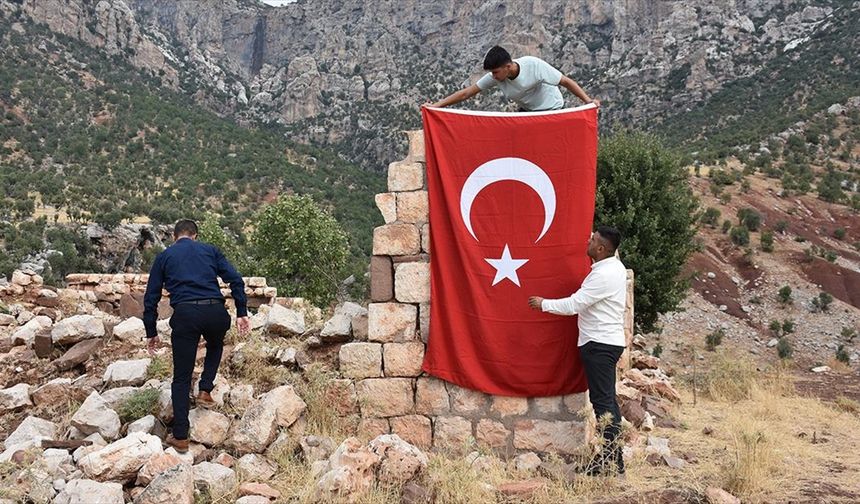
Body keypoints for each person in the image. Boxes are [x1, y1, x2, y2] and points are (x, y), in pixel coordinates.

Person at [143, 219, 250, 453]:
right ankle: (205, 388)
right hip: (215, 311)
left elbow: (150, 297)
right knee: (215, 344)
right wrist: (242, 311)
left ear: (174, 237)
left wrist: (150, 331)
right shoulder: (210, 250)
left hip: (186, 314)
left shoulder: (165, 257)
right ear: (195, 236)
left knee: (181, 377)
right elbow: (236, 279)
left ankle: (180, 435)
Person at [528, 226, 627, 476]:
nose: (588, 241)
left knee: (603, 404)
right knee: (608, 404)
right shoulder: (612, 268)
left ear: (601, 249)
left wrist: (543, 304)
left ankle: (607, 463)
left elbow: (575, 304)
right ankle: (613, 461)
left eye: (593, 240)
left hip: (600, 345)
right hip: (605, 343)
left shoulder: (603, 275)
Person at [425, 45, 600, 111]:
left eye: (495, 72)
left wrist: (588, 101)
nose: (493, 76)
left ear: (508, 67)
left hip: (552, 108)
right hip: (528, 111)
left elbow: (566, 81)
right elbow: (466, 93)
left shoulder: (534, 66)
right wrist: (436, 106)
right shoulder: (497, 77)